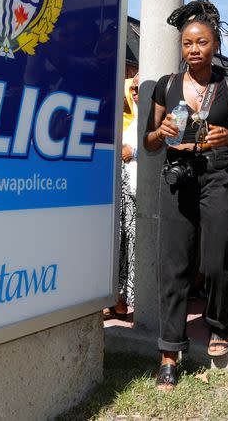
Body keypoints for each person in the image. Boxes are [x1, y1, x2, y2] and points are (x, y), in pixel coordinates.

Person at [143, 0, 228, 391]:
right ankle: (170, 353)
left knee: (221, 256)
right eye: (188, 43)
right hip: (177, 177)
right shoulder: (165, 86)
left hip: (217, 175)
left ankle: (219, 323)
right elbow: (149, 142)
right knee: (173, 263)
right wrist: (162, 133)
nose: (194, 49)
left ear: (213, 43)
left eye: (201, 42)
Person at [106, 75, 139, 320]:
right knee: (119, 246)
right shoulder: (128, 119)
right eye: (133, 89)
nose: (135, 92)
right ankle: (117, 300)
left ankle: (126, 300)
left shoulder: (154, 117)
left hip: (141, 193)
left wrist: (132, 151)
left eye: (139, 88)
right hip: (122, 191)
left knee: (133, 248)